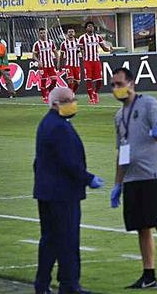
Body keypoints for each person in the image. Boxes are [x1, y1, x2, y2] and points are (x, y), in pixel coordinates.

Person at [109, 68, 157, 290]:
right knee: (141, 227)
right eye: (113, 85)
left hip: (153, 176)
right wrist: (118, 183)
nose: (116, 88)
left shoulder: (149, 104)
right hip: (132, 179)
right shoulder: (119, 116)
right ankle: (148, 274)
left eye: (119, 83)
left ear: (131, 83)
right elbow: (121, 152)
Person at [33, 87, 103, 294]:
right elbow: (69, 163)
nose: (73, 103)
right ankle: (69, 284)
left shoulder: (47, 124)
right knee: (68, 240)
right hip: (61, 194)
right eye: (69, 100)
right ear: (56, 103)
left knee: (50, 240)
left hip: (47, 192)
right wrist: (89, 179)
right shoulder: (60, 127)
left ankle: (43, 284)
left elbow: (39, 162)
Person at [78, 22, 112, 104]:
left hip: (96, 61)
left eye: (92, 26)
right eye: (89, 26)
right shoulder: (82, 38)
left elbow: (104, 48)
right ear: (86, 28)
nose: (91, 28)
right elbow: (80, 49)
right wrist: (83, 55)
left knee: (99, 80)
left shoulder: (98, 37)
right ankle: (91, 98)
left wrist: (109, 49)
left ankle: (95, 93)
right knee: (88, 79)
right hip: (87, 61)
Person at [33, 27, 58, 104]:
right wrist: (38, 61)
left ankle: (49, 92)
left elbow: (55, 52)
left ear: (46, 33)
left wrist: (58, 60)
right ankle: (45, 97)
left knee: (54, 80)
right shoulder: (37, 44)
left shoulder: (51, 42)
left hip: (51, 65)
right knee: (43, 81)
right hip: (42, 66)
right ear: (38, 34)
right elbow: (34, 55)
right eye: (41, 33)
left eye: (44, 33)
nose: (43, 34)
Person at [58, 28, 82, 95]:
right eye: (69, 32)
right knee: (70, 79)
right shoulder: (64, 44)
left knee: (77, 82)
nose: (71, 33)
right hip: (68, 64)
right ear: (67, 34)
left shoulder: (78, 42)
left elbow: (81, 51)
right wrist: (60, 65)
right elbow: (61, 56)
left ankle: (72, 93)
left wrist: (80, 50)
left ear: (74, 33)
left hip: (77, 64)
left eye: (72, 32)